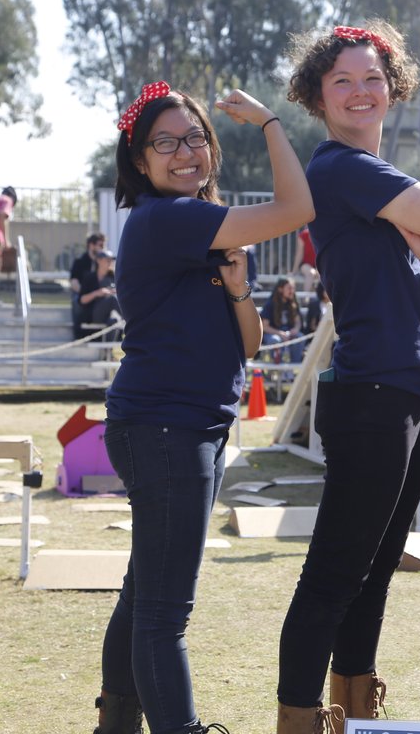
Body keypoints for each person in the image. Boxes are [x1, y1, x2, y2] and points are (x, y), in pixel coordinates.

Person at [273, 21, 420, 734]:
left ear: (391, 88)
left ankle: (354, 712)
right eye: (343, 81)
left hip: (406, 391)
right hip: (372, 395)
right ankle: (301, 720)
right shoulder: (343, 169)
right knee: (336, 575)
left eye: (372, 78)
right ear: (318, 96)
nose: (360, 91)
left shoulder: (375, 183)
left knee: (370, 572)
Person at [94, 80, 313, 734]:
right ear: (140, 161)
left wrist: (241, 290)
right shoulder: (167, 219)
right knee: (164, 616)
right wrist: (273, 122)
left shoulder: (200, 231)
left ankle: (116, 726)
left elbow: (247, 348)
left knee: (143, 601)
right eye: (165, 143)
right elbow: (298, 206)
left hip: (188, 428)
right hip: (168, 429)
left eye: (195, 138)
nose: (185, 152)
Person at [70, 233, 107, 339]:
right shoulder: (80, 262)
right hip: (83, 294)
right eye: (100, 245)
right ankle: (78, 334)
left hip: (100, 296)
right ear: (91, 245)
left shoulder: (103, 262)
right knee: (77, 301)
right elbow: (74, 282)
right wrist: (86, 293)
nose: (103, 248)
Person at [260, 277, 305, 363]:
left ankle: (293, 368)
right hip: (273, 333)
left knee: (300, 337)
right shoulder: (270, 304)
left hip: (289, 333)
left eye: (293, 288)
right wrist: (280, 333)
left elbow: (298, 322)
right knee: (275, 340)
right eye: (289, 288)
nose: (292, 291)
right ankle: (277, 368)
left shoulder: (293, 302)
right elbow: (265, 327)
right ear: (280, 289)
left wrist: (295, 329)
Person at [79, 248, 121, 338]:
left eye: (111, 260)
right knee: (112, 300)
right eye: (107, 260)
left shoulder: (113, 277)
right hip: (92, 314)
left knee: (113, 321)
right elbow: (82, 300)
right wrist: (97, 293)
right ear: (99, 260)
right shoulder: (89, 277)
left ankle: (108, 350)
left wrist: (113, 291)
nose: (110, 262)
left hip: (108, 315)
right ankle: (130, 320)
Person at [291, 227, 319, 292]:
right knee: (310, 273)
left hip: (319, 264)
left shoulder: (322, 235)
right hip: (306, 264)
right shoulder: (303, 235)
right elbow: (299, 254)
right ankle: (306, 299)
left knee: (322, 274)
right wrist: (294, 271)